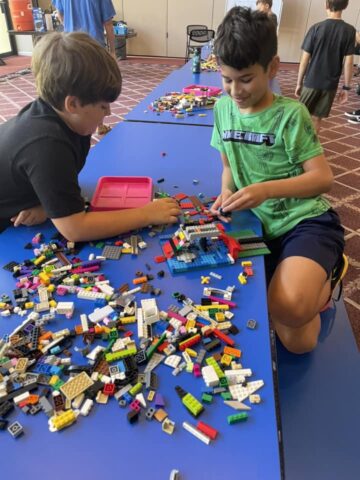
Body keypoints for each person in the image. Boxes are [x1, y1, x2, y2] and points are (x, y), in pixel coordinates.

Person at [210, 7, 346, 354]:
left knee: (287, 308)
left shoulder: (291, 115)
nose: (235, 91)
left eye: (246, 79)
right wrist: (227, 190)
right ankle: (297, 287)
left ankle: (327, 278)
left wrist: (265, 189)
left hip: (305, 220)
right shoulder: (222, 109)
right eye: (227, 79)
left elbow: (322, 179)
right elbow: (228, 166)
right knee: (298, 341)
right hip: (257, 225)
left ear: (271, 68)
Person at [0, 32, 181, 239]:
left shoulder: (71, 120)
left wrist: (47, 206)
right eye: (103, 106)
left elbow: (60, 180)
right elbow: (75, 229)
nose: (109, 113)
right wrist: (146, 214)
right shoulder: (46, 145)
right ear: (73, 104)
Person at [52, 0, 117, 135]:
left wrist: (70, 29)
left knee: (73, 87)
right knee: (99, 87)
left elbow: (59, 14)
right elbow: (108, 24)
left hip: (70, 46)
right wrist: (112, 51)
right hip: (94, 46)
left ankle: (74, 125)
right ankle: (99, 125)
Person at [295, 0, 356, 134]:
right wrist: (346, 87)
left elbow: (305, 59)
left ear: (326, 5)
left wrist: (299, 83)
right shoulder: (350, 31)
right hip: (330, 85)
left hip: (311, 82)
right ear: (345, 6)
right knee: (317, 118)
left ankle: (296, 147)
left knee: (300, 116)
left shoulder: (316, 28)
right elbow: (349, 62)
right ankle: (311, 148)